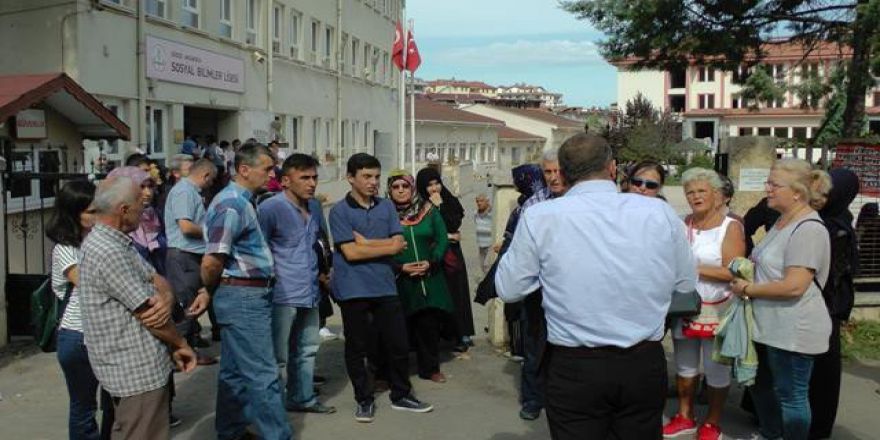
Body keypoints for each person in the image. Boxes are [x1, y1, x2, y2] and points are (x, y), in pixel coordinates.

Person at [496, 133, 697, 440]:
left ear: (562, 172)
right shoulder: (659, 213)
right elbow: (685, 283)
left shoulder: (540, 217)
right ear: (613, 168)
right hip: (641, 361)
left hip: (575, 365)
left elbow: (509, 288)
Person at [79, 176, 197, 440]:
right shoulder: (108, 250)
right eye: (139, 206)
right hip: (134, 371)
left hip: (136, 369)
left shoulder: (119, 242)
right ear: (123, 210)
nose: (144, 210)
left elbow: (158, 280)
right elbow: (149, 314)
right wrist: (180, 344)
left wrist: (165, 297)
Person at [730, 158, 832, 440]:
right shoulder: (783, 221)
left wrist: (746, 289)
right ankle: (772, 433)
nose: (768, 189)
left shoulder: (808, 228)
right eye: (768, 182)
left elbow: (794, 286)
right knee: (760, 386)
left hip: (792, 330)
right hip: (769, 325)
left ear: (797, 192)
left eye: (774, 184)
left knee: (791, 396)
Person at [329, 153, 432, 423]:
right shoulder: (339, 211)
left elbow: (399, 244)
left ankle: (401, 394)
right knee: (358, 348)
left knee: (398, 344)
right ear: (350, 178)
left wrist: (366, 244)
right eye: (366, 176)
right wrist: (380, 246)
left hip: (386, 286)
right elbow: (350, 254)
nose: (373, 182)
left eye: (376, 176)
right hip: (354, 289)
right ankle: (364, 399)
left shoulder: (386, 207)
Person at [201, 143, 294, 440]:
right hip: (243, 296)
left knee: (235, 372)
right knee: (264, 375)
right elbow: (212, 259)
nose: (272, 174)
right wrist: (209, 289)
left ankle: (231, 430)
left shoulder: (243, 200)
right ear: (244, 169)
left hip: (247, 294)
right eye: (267, 168)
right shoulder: (232, 204)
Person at [663, 168, 745, 440]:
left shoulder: (730, 226)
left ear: (717, 195)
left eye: (701, 191)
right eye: (690, 192)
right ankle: (685, 416)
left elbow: (733, 270)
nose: (695, 196)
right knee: (685, 365)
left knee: (715, 368)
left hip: (717, 307)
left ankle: (712, 421)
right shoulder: (681, 223)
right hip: (685, 305)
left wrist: (691, 268)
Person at [258, 153, 336, 415]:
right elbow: (259, 249)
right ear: (285, 181)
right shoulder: (271, 208)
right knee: (278, 356)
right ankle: (273, 410)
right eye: (304, 178)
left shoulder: (313, 207)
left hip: (310, 290)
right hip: (282, 293)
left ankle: (302, 398)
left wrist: (323, 274)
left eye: (314, 177)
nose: (312, 183)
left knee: (307, 349)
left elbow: (315, 244)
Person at [48, 181, 109, 440]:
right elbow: (92, 283)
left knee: (114, 404)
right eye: (91, 212)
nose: (97, 217)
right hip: (77, 336)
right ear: (73, 213)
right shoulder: (65, 249)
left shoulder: (100, 240)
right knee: (84, 407)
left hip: (106, 333)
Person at [809, 168, 860, 439]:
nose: (818, 196)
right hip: (821, 304)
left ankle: (817, 427)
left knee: (822, 372)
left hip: (827, 307)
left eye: (825, 192)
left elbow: (830, 276)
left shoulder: (835, 228)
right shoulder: (826, 220)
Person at [387, 170, 452, 383]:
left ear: (412, 188)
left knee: (429, 325)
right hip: (399, 279)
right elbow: (379, 245)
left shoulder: (429, 210)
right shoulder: (384, 214)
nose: (401, 191)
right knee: (397, 329)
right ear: (389, 190)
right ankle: (394, 373)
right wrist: (400, 267)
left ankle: (430, 368)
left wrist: (432, 261)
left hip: (429, 277)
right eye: (395, 187)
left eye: (405, 186)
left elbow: (442, 239)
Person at [164, 159, 217, 365]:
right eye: (211, 180)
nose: (211, 184)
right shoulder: (184, 192)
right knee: (186, 306)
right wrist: (212, 232)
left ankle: (189, 349)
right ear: (205, 176)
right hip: (183, 255)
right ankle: (179, 354)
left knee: (192, 304)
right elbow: (185, 227)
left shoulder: (191, 192)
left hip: (190, 256)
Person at [416, 167, 475, 350]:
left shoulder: (448, 200)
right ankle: (440, 335)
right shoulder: (418, 206)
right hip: (432, 255)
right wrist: (448, 236)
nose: (434, 189)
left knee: (457, 292)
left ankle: (461, 334)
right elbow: (425, 231)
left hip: (452, 256)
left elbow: (453, 223)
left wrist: (440, 206)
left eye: (437, 183)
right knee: (438, 295)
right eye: (429, 185)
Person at [474, 193, 493, 275]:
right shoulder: (475, 213)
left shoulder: (492, 213)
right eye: (477, 201)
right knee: (482, 267)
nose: (479, 203)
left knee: (487, 266)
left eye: (481, 201)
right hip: (481, 245)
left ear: (487, 201)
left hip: (490, 245)